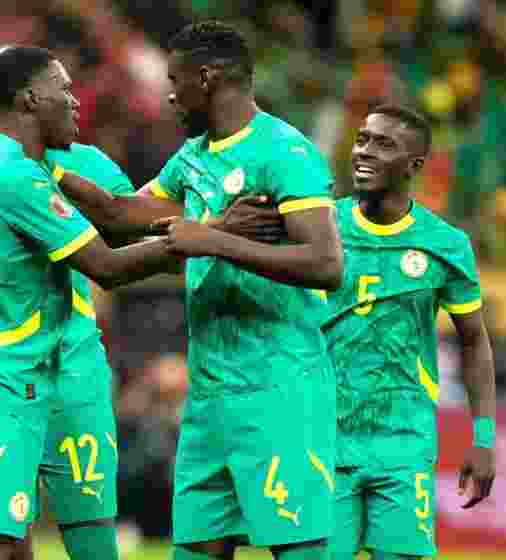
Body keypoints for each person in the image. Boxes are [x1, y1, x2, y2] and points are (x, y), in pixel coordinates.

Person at [52, 21, 344, 559]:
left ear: (205, 78)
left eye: (175, 79)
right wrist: (48, 168)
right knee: (195, 548)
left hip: (279, 387)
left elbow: (326, 264)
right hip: (209, 396)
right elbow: (121, 217)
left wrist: (212, 240)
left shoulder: (284, 152)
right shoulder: (193, 158)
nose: (168, 93)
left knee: (299, 547)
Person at [0, 44, 221, 560]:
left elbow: (126, 217)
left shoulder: (58, 161)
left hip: (66, 361)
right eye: (64, 89)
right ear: (25, 100)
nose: (75, 101)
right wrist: (210, 237)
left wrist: (206, 226)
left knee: (83, 516)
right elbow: (107, 262)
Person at [323, 105, 497, 560]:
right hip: (323, 435)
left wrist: (483, 439)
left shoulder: (445, 244)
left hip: (403, 442)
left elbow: (474, 341)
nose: (364, 151)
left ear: (414, 165)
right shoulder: (322, 226)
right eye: (362, 139)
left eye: (383, 144)